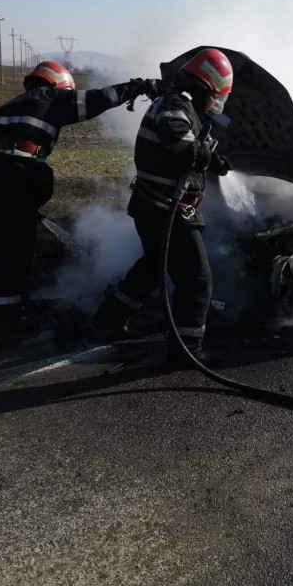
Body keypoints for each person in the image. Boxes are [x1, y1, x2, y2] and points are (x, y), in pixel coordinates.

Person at [0, 60, 160, 327]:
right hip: (18, 170)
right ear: (58, 83)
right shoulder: (51, 97)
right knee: (16, 245)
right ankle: (6, 319)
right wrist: (135, 88)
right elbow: (98, 99)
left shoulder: (5, 107)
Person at [89, 48, 234, 369]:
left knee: (154, 266)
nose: (216, 105)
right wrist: (204, 155)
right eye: (217, 97)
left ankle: (106, 320)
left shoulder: (184, 103)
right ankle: (187, 352)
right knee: (196, 281)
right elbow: (176, 134)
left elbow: (190, 144)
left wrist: (212, 156)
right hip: (167, 208)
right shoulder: (174, 103)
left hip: (153, 206)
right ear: (208, 86)